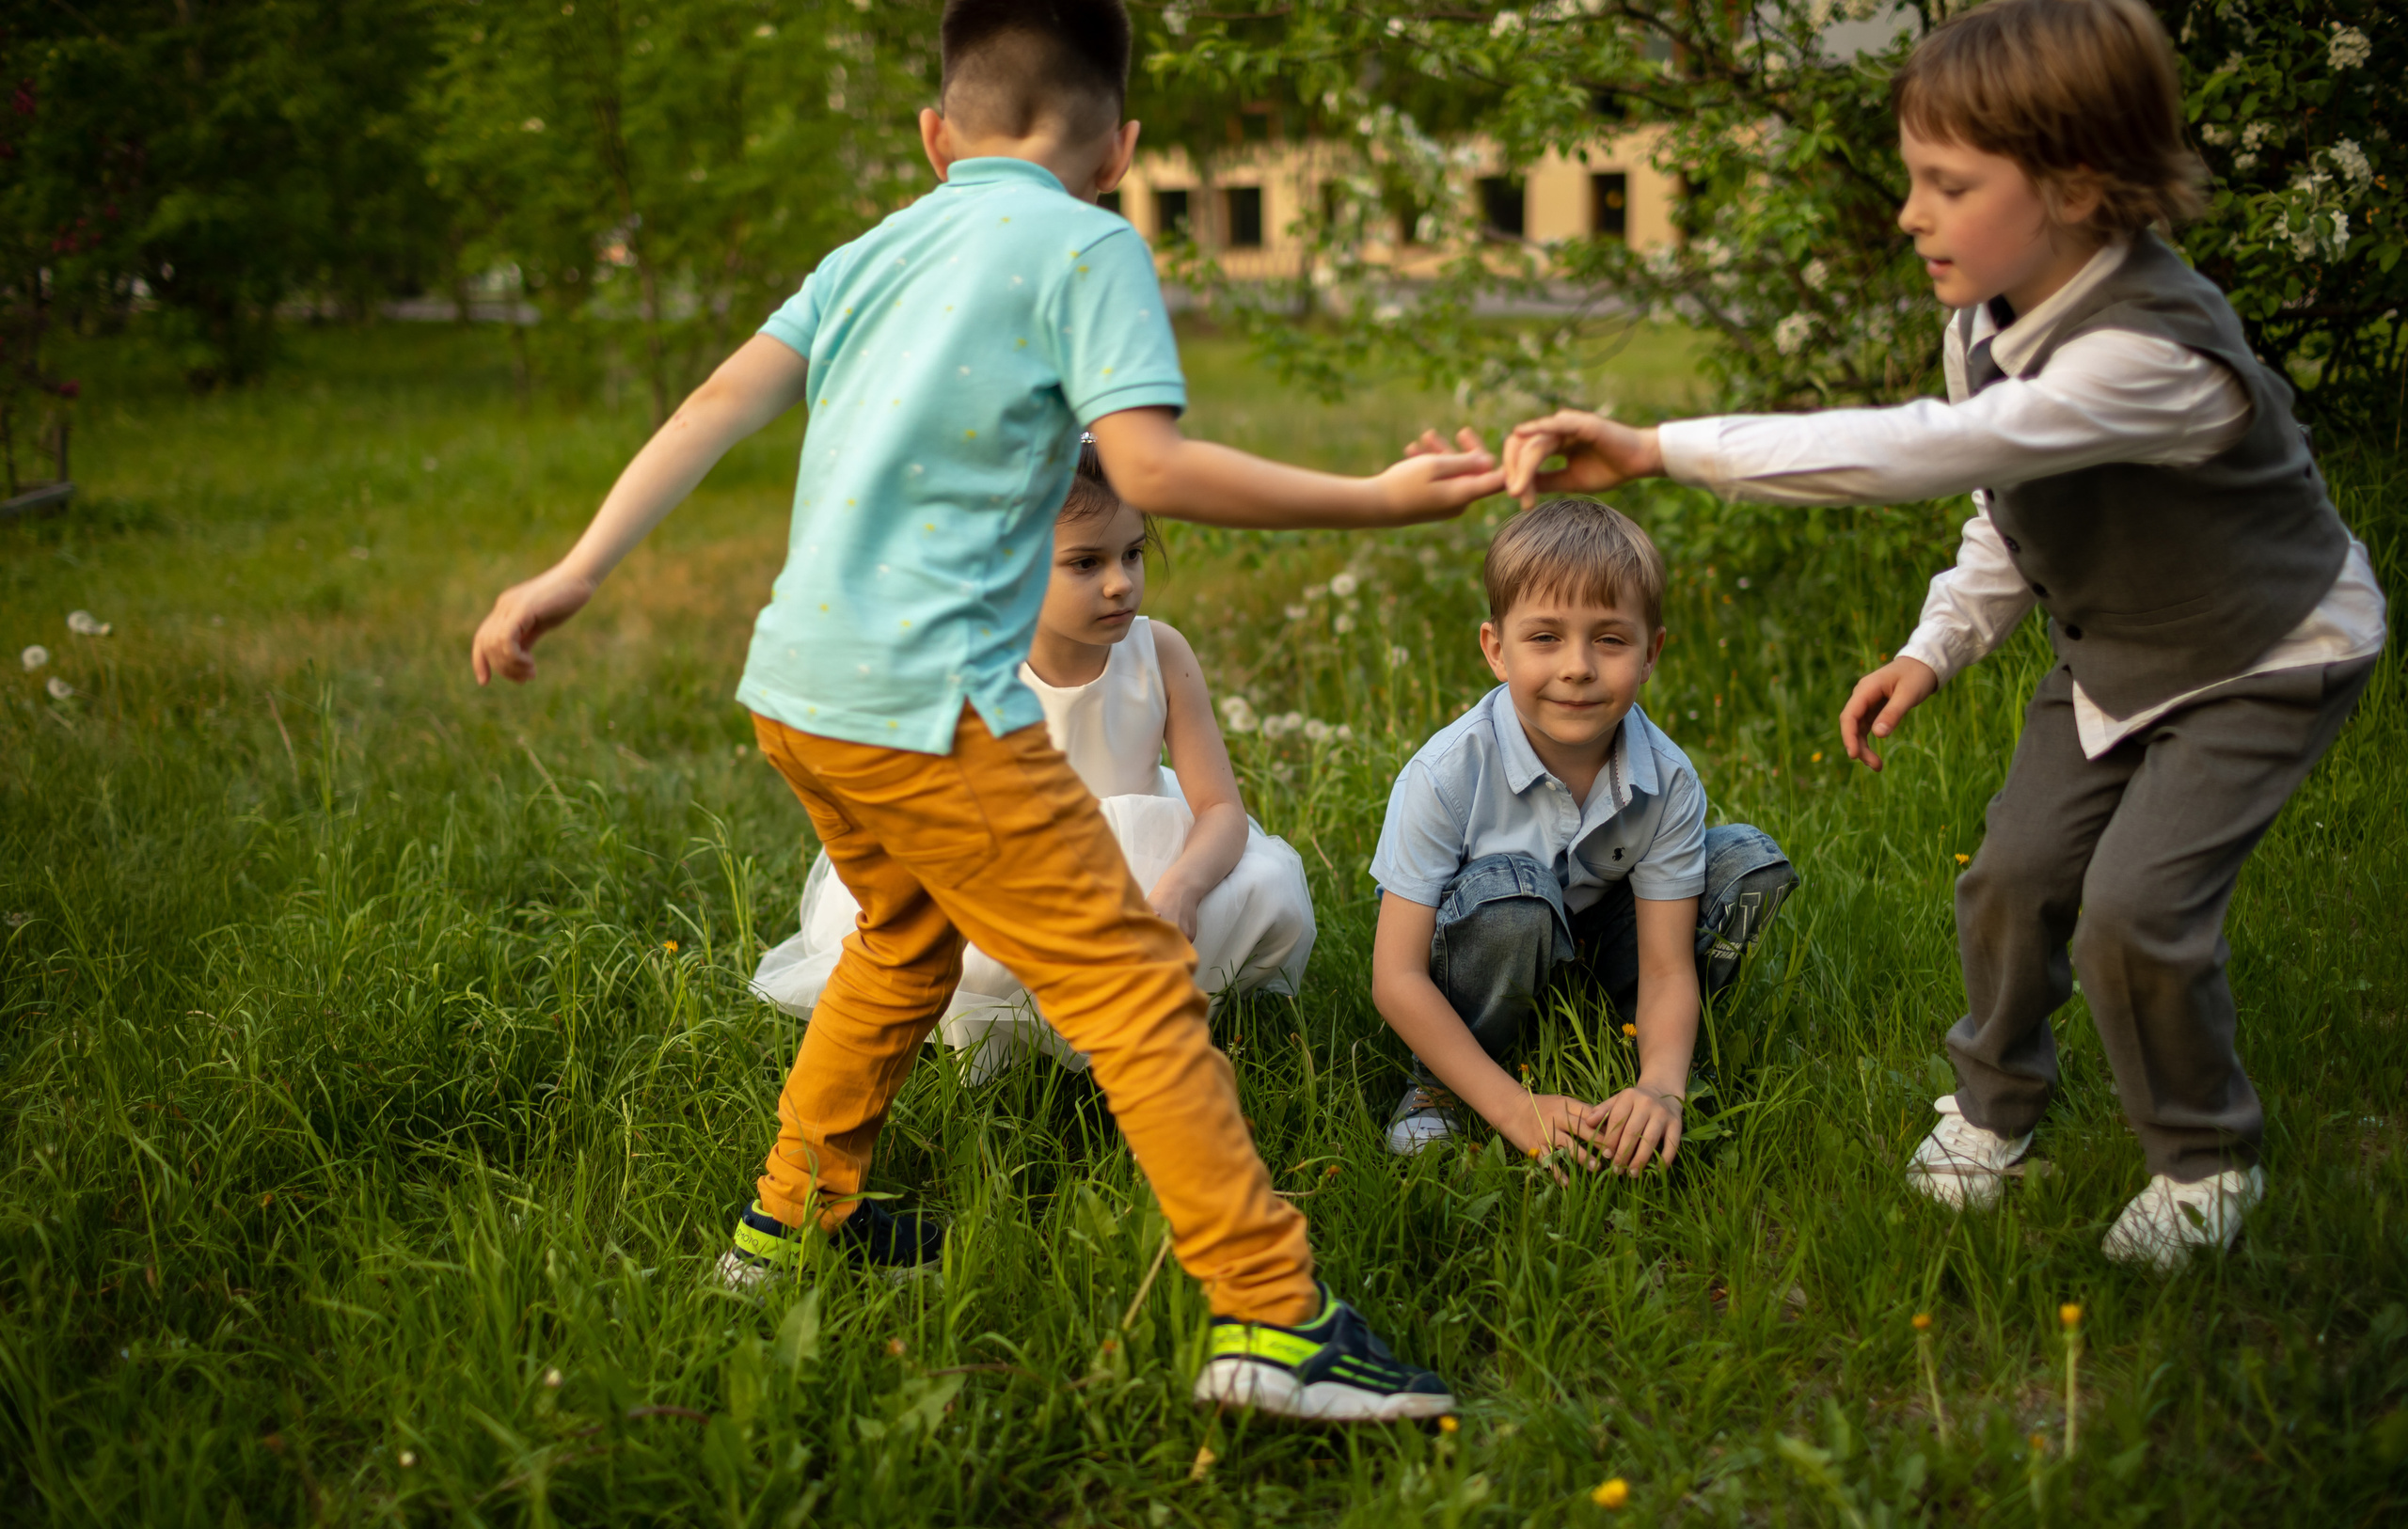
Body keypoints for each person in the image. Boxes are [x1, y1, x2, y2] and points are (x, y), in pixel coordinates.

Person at [470, 0, 1501, 1420]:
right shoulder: (1090, 244)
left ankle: (790, 1226)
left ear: (936, 135)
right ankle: (1274, 1319)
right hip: (935, 709)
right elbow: (1156, 463)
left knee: (900, 944)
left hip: (797, 693)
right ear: (1119, 150)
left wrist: (576, 567)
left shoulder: (869, 249)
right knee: (1137, 987)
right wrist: (1373, 500)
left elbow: (720, 396)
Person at [1497, 0, 2384, 1268]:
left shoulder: (2149, 355)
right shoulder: (1986, 319)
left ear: (2078, 186)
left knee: (2137, 910)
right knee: (2012, 880)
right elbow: (2005, 503)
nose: (1911, 213)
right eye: (1914, 177)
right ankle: (1998, 1102)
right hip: (2115, 650)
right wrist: (1936, 646)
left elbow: (1933, 448)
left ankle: (2202, 1158)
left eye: (1947, 184)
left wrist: (1659, 448)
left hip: (2267, 650)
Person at [752, 436, 1317, 1082]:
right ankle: (1014, 1047)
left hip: (1148, 865)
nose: (1119, 582)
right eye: (1084, 563)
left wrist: (1181, 889)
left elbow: (1219, 807)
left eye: (1132, 553)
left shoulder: (1159, 653)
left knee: (1269, 894)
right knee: (970, 949)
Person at [1368, 498, 1797, 1171]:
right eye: (1545, 638)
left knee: (1745, 862)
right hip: (1485, 947)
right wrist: (1514, 1107)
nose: (1577, 667)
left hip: (1602, 941)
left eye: (1610, 639)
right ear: (1495, 649)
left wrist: (1663, 1088)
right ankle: (1440, 1086)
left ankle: (1643, 1048)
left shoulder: (1669, 779)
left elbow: (1664, 963)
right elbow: (1395, 977)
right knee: (1516, 897)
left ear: (1651, 652)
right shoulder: (1448, 774)